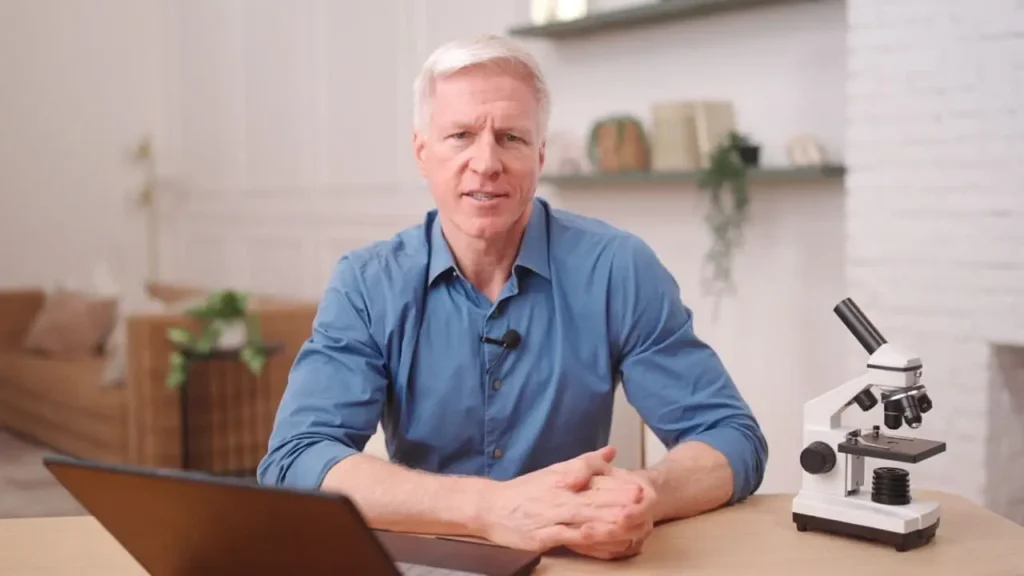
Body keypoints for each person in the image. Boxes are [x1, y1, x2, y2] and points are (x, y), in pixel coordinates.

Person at [258, 34, 768, 561]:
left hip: (576, 560)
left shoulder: (618, 267)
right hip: (431, 562)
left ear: (539, 155)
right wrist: (490, 508)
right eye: (460, 135)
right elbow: (296, 459)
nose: (486, 162)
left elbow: (730, 437)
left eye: (511, 138)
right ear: (422, 152)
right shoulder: (367, 283)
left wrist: (643, 495)